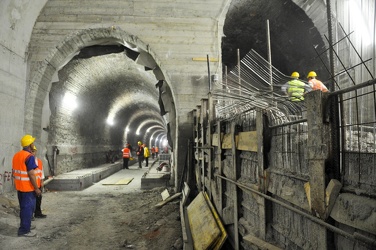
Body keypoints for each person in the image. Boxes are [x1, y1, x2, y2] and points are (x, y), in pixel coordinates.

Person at [12, 134, 42, 237]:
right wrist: (36, 188)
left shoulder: (17, 155)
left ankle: (26, 225)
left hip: (20, 187)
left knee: (24, 208)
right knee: (27, 209)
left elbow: (14, 172)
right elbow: (31, 174)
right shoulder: (29, 157)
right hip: (28, 188)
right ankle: (24, 230)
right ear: (30, 145)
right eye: (32, 142)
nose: (34, 144)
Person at [31, 146, 47, 219]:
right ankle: (30, 215)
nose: (32, 153)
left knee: (38, 199)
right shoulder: (27, 161)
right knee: (31, 201)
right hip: (30, 185)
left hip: (38, 184)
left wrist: (42, 181)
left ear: (36, 152)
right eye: (31, 151)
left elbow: (41, 172)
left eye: (33, 151)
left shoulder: (39, 162)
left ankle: (38, 213)